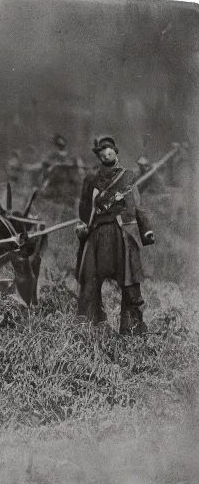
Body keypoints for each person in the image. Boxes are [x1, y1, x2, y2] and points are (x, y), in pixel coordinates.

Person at [75, 136, 156, 335]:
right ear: (98, 155)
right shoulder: (91, 180)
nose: (106, 152)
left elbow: (138, 207)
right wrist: (84, 225)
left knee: (130, 285)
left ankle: (132, 331)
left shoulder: (128, 177)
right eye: (102, 150)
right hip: (98, 234)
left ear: (115, 151)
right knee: (90, 281)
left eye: (109, 148)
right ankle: (90, 328)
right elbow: (84, 209)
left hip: (122, 234)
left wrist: (146, 231)